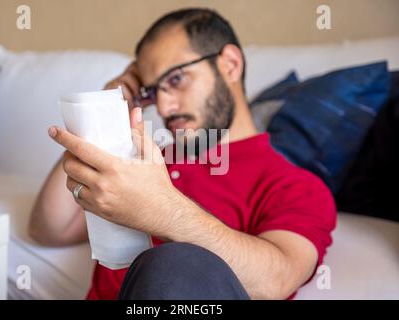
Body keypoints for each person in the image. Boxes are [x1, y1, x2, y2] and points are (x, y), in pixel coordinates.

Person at [29, 8, 336, 300]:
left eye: (176, 79)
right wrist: (105, 117)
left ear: (229, 64)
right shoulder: (144, 161)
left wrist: (162, 210)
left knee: (177, 263)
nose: (163, 108)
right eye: (152, 92)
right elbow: (48, 230)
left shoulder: (295, 186)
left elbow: (276, 280)